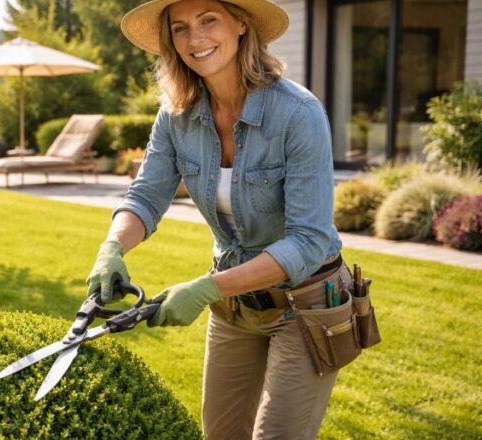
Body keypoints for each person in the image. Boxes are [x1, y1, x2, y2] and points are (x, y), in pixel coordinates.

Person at [86, 0, 351, 438]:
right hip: (235, 305)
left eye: (209, 20)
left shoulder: (298, 114)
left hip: (306, 303)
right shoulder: (176, 115)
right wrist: (111, 247)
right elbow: (147, 194)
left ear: (241, 25)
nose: (196, 38)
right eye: (181, 27)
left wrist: (204, 289)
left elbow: (308, 241)